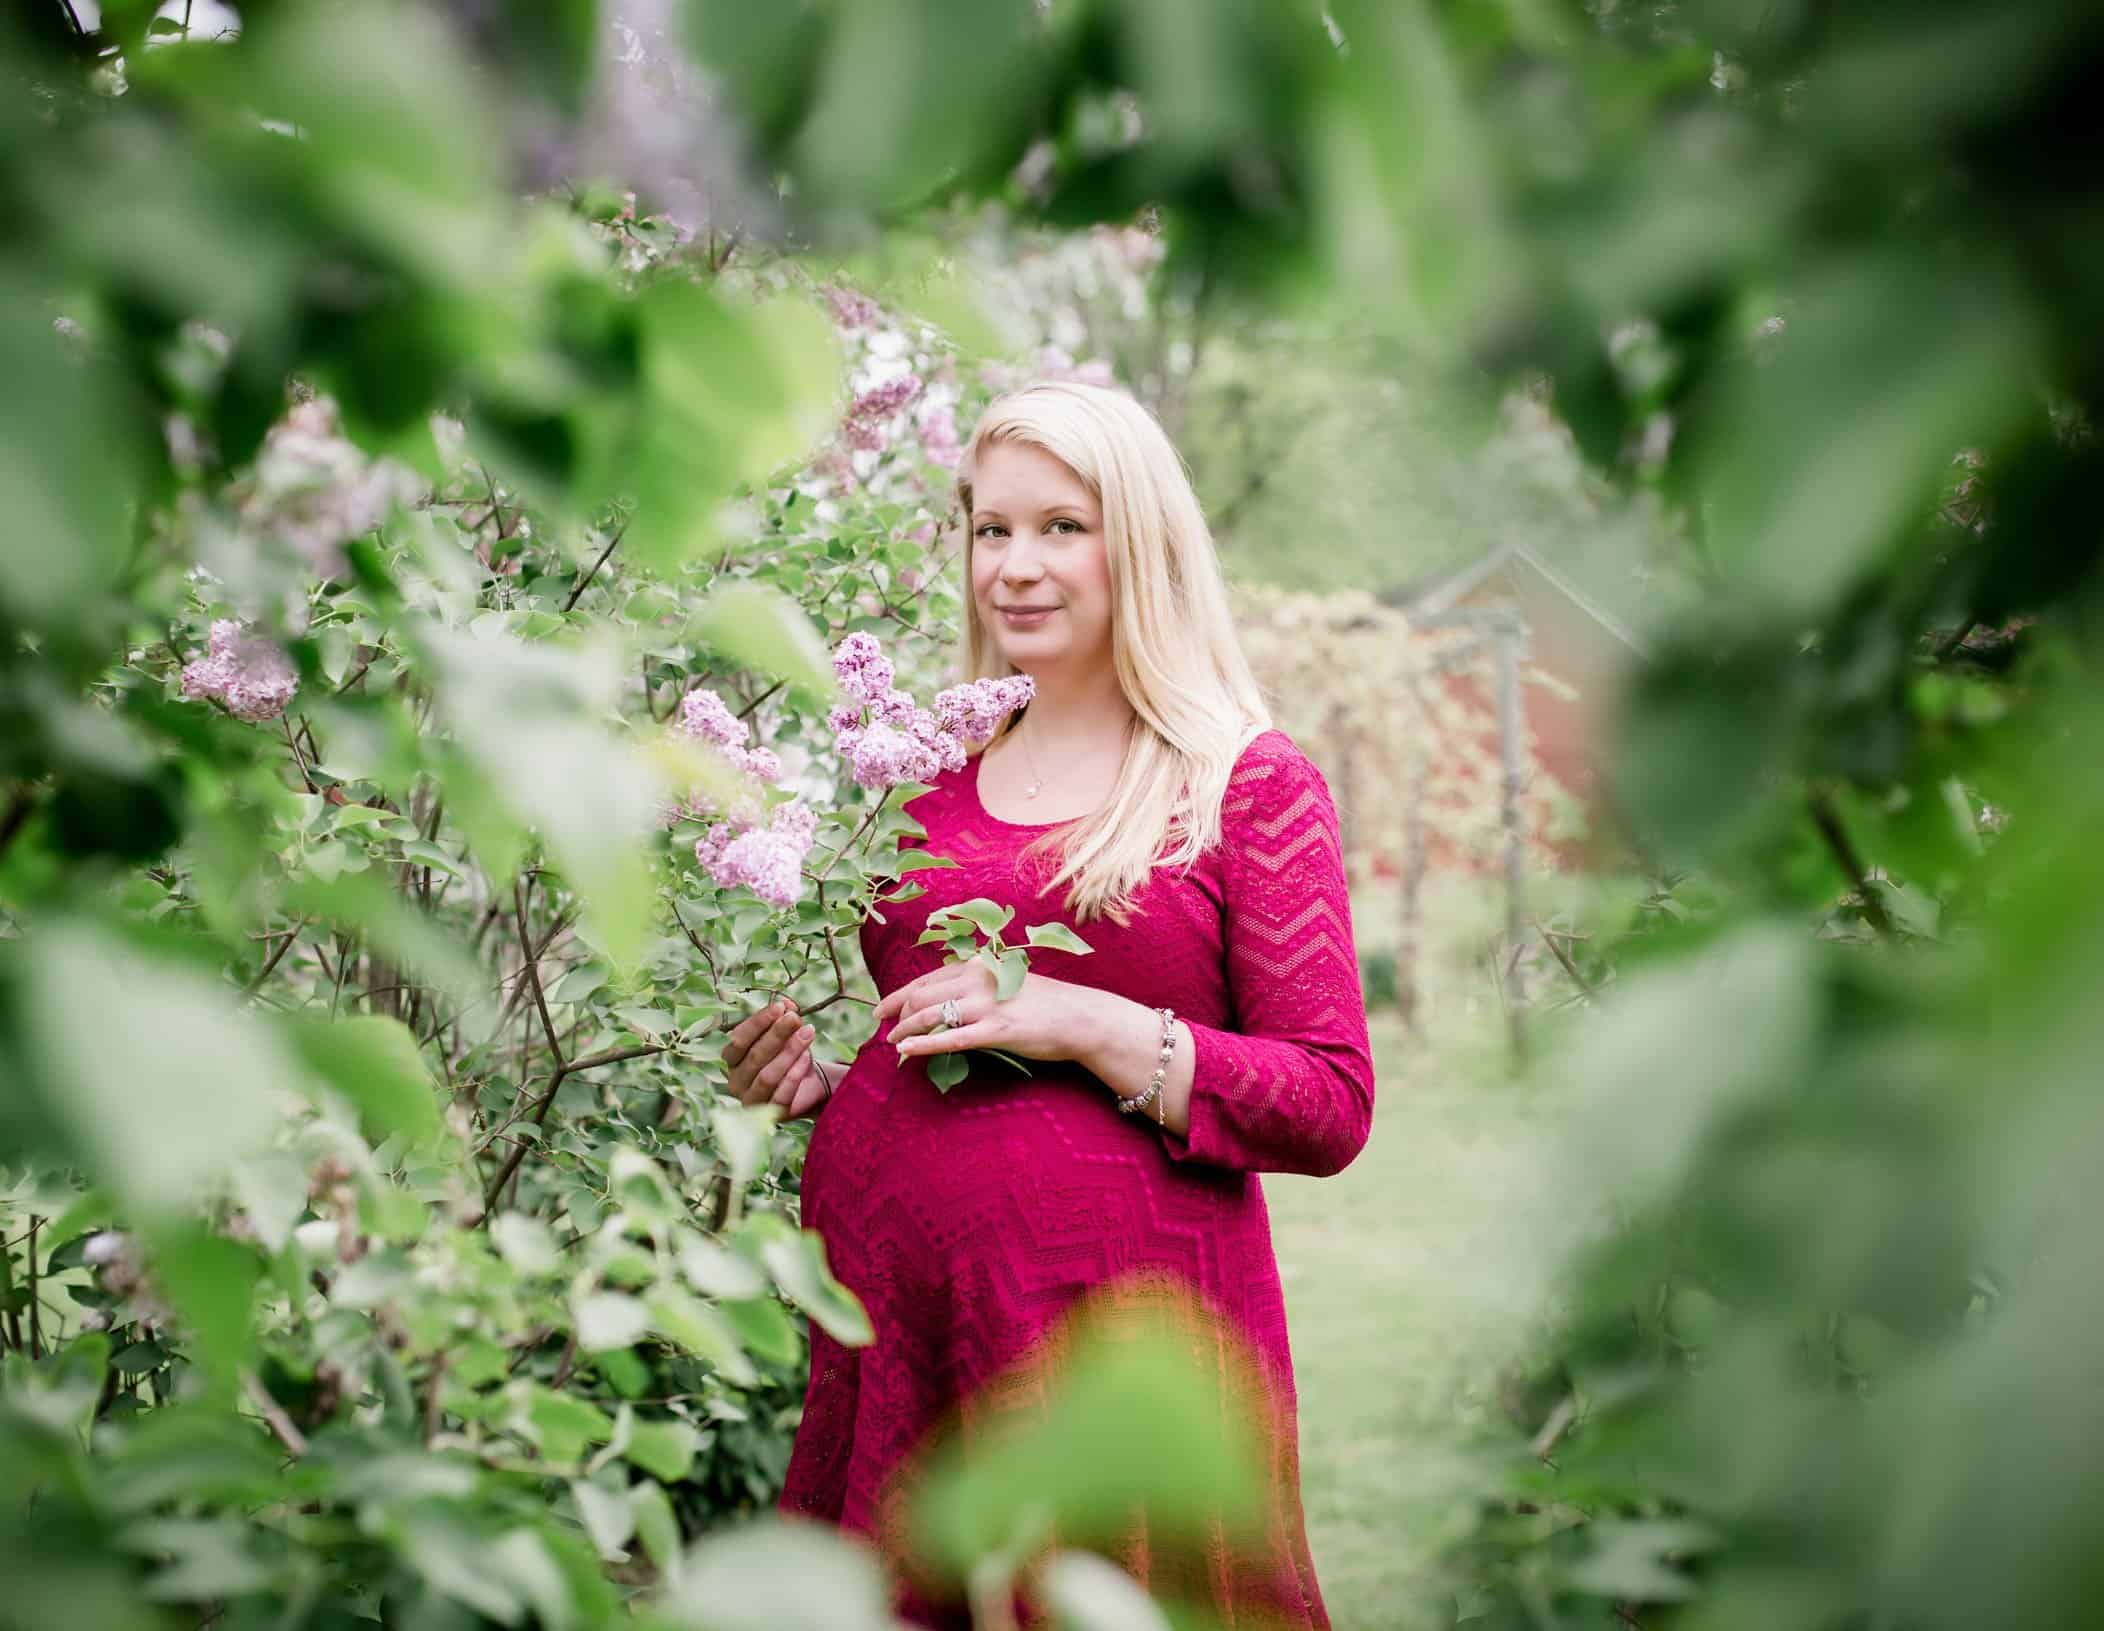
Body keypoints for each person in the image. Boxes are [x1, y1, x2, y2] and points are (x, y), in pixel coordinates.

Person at [719, 380, 1375, 1628]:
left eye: (1061, 527)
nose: (1013, 566)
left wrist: (1081, 1019)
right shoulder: (924, 787)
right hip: (905, 1345)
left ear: (1143, 543)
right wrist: (829, 1089)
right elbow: (950, 1053)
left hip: (1110, 1355)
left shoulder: (1243, 783)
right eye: (991, 529)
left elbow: (1329, 1100)